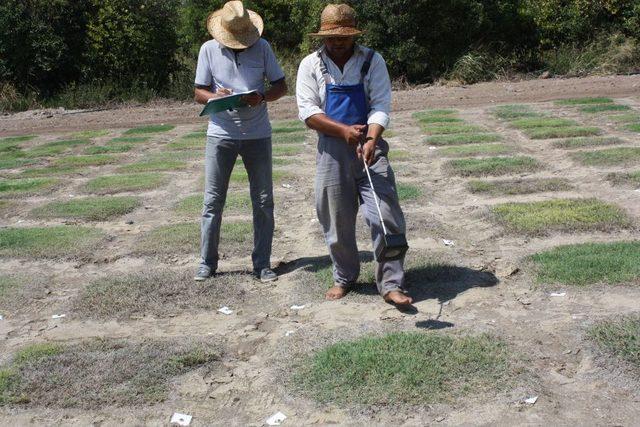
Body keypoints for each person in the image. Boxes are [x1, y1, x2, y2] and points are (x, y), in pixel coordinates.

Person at [295, 3, 412, 305]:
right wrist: (343, 131)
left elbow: (381, 105)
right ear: (322, 36)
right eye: (332, 37)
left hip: (370, 148)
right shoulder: (311, 64)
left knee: (386, 216)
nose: (337, 42)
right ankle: (344, 277)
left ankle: (390, 284)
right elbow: (308, 112)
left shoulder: (372, 60)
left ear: (354, 35)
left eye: (343, 37)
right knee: (336, 220)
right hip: (332, 152)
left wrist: (371, 138)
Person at [193, 1, 287, 282]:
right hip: (220, 135)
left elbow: (280, 86)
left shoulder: (263, 47)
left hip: (258, 134)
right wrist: (217, 98)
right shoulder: (208, 49)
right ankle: (207, 263)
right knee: (212, 201)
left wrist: (262, 98)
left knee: (263, 201)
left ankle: (262, 263)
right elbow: (199, 92)